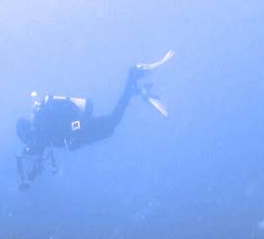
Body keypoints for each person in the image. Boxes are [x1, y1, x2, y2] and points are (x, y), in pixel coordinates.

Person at [16, 52, 173, 189]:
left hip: (80, 127)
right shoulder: (41, 134)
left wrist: (73, 130)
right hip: (80, 133)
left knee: (112, 123)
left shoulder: (42, 123)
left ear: (29, 131)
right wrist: (29, 179)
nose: (31, 143)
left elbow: (68, 111)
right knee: (112, 126)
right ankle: (136, 89)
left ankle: (133, 75)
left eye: (28, 140)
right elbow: (38, 157)